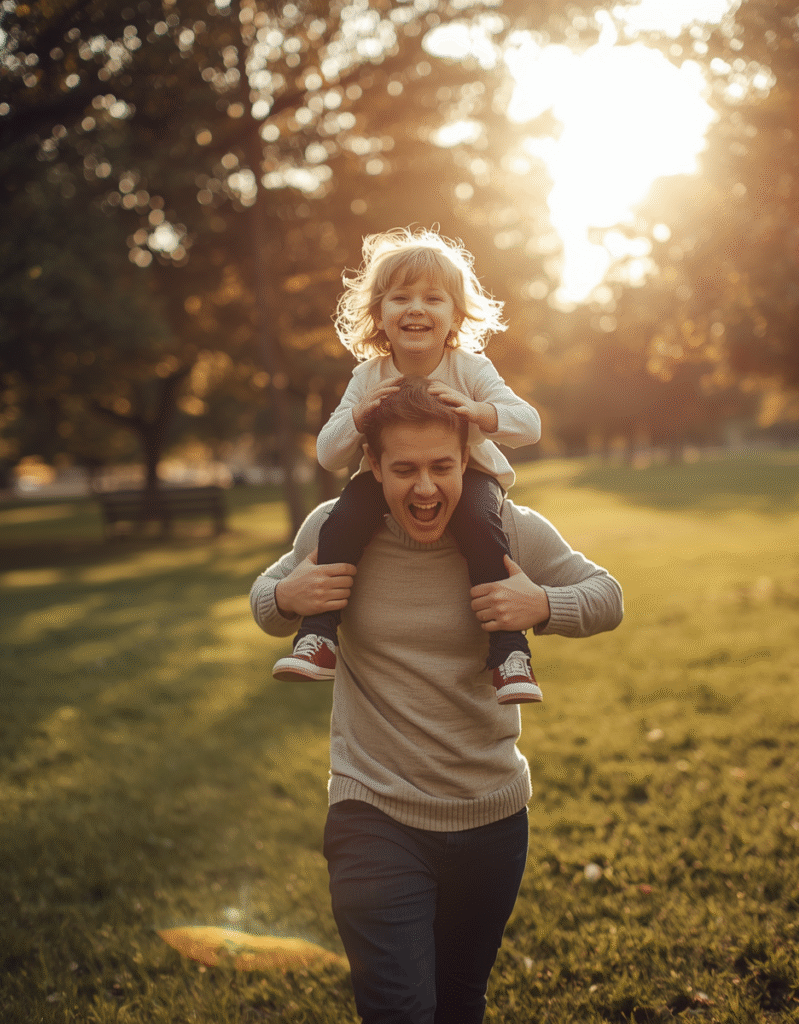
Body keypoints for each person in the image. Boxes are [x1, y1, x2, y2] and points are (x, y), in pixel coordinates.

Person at [250, 377, 623, 1024]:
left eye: (442, 467)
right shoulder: (335, 529)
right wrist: (288, 598)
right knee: (399, 1010)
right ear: (373, 466)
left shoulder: (506, 527)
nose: (425, 488)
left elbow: (607, 595)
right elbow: (266, 599)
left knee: (458, 1004)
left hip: (491, 818)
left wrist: (542, 604)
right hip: (374, 811)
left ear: (467, 461)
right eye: (404, 469)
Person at [272, 227, 544, 704]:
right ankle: (318, 637)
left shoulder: (472, 370)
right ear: (379, 313)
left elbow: (530, 425)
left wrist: (478, 411)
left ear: (456, 314)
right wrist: (356, 418)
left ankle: (508, 654)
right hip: (385, 479)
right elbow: (330, 454)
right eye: (401, 297)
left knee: (481, 523)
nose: (416, 308)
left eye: (433, 298)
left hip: (467, 474)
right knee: (343, 520)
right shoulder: (368, 376)